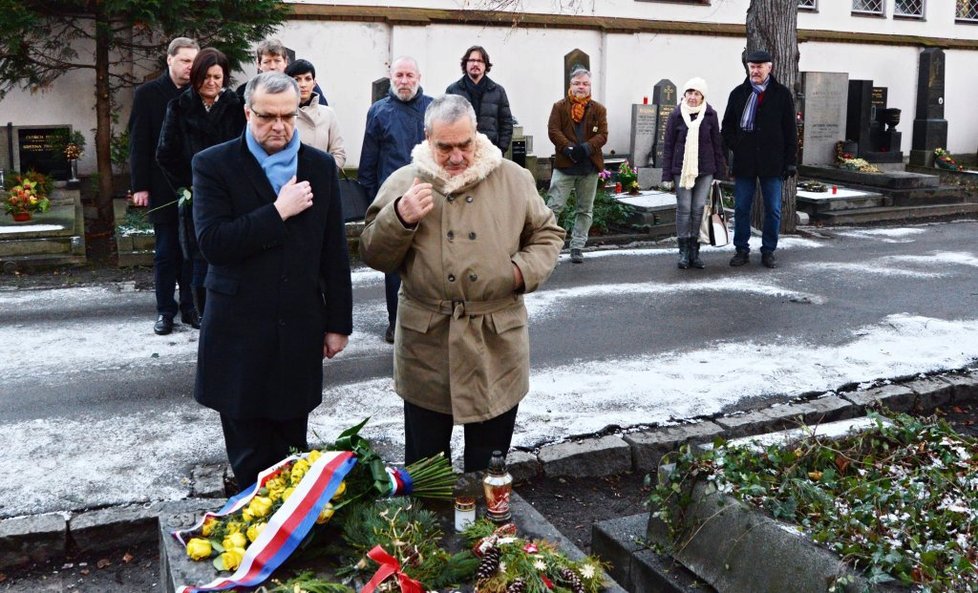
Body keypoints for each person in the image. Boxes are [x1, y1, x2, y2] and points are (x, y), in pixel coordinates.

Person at [359, 94, 564, 472]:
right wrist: (400, 218)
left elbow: (548, 235)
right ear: (426, 138)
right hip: (426, 344)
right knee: (426, 468)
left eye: (464, 144)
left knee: (489, 468)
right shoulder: (405, 181)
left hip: (495, 341)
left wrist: (518, 272)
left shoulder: (513, 179)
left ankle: (484, 529)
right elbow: (373, 253)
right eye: (445, 147)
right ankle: (430, 530)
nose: (456, 157)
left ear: (477, 135)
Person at [191, 72, 353, 490]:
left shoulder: (318, 167)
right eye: (267, 117)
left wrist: (338, 323)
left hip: (297, 328)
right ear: (248, 112)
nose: (278, 126)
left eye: (288, 116)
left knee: (291, 458)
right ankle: (251, 535)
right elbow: (213, 243)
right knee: (249, 458)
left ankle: (289, 543)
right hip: (238, 331)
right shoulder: (213, 165)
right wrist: (277, 211)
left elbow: (333, 251)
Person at [156, 48, 246, 320]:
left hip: (233, 196)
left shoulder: (236, 106)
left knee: (233, 256)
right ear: (195, 77)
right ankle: (201, 313)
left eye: (217, 77)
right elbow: (165, 153)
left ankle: (234, 314)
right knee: (200, 259)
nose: (212, 82)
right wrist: (186, 186)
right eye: (206, 76)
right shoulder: (179, 106)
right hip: (197, 197)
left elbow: (247, 149)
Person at [359, 56, 433, 343]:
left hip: (428, 194)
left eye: (409, 76)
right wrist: (370, 197)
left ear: (418, 77)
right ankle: (396, 321)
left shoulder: (432, 108)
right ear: (392, 77)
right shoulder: (378, 112)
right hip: (392, 198)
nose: (404, 81)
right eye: (399, 75)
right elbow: (369, 158)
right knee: (393, 264)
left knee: (427, 260)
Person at [128, 37, 199, 335]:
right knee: (167, 252)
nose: (189, 67)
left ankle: (190, 308)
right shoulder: (148, 94)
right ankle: (164, 311)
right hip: (161, 188)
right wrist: (140, 185)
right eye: (184, 61)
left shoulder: (199, 94)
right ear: (169, 60)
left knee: (191, 253)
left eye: (194, 62)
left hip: (195, 188)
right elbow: (139, 142)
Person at [721, 49, 798, 269]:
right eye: (752, 67)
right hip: (745, 161)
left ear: (769, 68)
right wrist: (737, 144)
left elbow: (790, 130)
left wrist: (790, 160)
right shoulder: (738, 93)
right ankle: (741, 250)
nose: (755, 71)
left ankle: (768, 250)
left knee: (773, 209)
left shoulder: (781, 94)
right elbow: (726, 127)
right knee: (742, 208)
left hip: (772, 162)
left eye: (759, 67)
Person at [660, 77, 726, 270]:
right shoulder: (676, 115)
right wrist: (666, 176)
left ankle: (695, 251)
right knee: (684, 208)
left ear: (702, 96)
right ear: (684, 95)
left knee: (698, 208)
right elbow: (668, 146)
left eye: (696, 93)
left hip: (705, 170)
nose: (692, 97)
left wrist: (720, 173)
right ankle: (683, 252)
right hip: (682, 169)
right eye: (689, 93)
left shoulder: (710, 115)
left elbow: (717, 145)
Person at [545, 68, 608, 264]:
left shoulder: (598, 109)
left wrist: (586, 148)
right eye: (577, 83)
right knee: (553, 208)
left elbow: (603, 135)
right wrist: (569, 148)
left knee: (585, 209)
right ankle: (548, 248)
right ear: (570, 85)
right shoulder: (559, 107)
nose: (581, 87)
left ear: (590, 86)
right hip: (565, 166)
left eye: (585, 84)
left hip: (588, 167)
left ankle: (577, 246)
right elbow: (553, 130)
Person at [445, 45, 514, 154]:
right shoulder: (453, 90)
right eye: (472, 60)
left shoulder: (498, 91)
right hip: (461, 153)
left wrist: (500, 150)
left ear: (485, 65)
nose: (475, 64)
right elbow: (447, 122)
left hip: (489, 153)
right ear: (465, 63)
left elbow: (506, 124)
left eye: (480, 61)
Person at [284, 59, 346, 168]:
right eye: (297, 79)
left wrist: (325, 174)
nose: (303, 84)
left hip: (322, 179)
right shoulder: (282, 114)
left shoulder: (328, 114)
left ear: (314, 83)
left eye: (308, 79)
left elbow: (339, 153)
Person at [234, 39, 328, 105]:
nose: (273, 67)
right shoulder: (245, 91)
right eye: (267, 62)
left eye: (277, 61)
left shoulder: (303, 86)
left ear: (285, 62)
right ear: (258, 64)